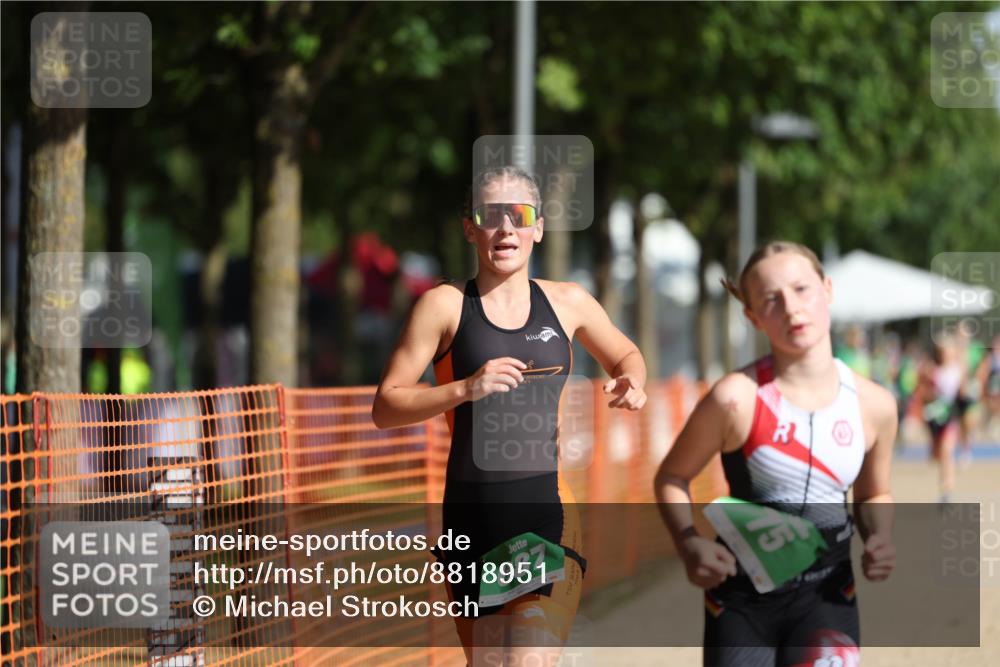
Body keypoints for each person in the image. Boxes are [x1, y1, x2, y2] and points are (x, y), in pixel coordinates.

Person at [372, 165, 647, 665]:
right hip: (468, 518)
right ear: (469, 228)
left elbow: (627, 355)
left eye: (518, 216)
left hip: (544, 513)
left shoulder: (568, 302)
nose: (505, 229)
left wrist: (634, 381)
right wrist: (465, 387)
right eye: (490, 215)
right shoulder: (444, 306)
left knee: (528, 658)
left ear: (538, 227)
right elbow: (386, 406)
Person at [653, 241, 897, 667]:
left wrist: (879, 536)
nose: (791, 308)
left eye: (802, 289)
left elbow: (874, 494)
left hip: (829, 596)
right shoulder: (735, 398)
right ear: (753, 317)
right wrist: (688, 543)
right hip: (742, 603)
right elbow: (671, 477)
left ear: (827, 289)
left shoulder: (875, 404)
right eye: (771, 299)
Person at [919, 336, 964, 502]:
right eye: (943, 351)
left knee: (947, 452)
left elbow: (963, 392)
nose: (946, 354)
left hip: (951, 415)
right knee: (936, 455)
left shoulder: (958, 369)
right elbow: (923, 393)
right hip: (934, 416)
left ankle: (946, 490)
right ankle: (945, 483)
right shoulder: (932, 370)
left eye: (948, 350)